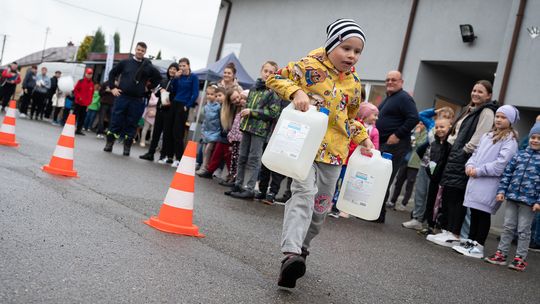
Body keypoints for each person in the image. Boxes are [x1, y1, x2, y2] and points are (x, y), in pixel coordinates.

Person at [266, 18, 373, 288]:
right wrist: (297, 91)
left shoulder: (355, 84)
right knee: (303, 194)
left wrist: (363, 139)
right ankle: (290, 253)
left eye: (357, 51)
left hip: (335, 154)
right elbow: (274, 78)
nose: (351, 55)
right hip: (304, 145)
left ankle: (301, 250)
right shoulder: (307, 66)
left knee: (320, 210)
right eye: (346, 48)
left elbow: (350, 119)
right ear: (332, 45)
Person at [427, 80, 497, 247]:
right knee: (449, 194)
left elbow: (480, 135)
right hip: (455, 154)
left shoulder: (486, 111)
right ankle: (447, 230)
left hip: (464, 156)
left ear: (488, 95)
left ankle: (454, 234)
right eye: (474, 90)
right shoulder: (469, 109)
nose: (476, 94)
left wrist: (464, 151)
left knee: (457, 196)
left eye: (480, 92)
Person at [451, 105, 519, 258]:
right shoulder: (487, 136)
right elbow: (475, 154)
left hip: (490, 184)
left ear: (511, 120)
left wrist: (479, 170)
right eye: (498, 116)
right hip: (476, 181)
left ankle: (479, 245)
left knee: (483, 214)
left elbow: (501, 164)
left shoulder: (510, 140)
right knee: (474, 212)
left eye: (503, 117)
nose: (499, 120)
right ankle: (470, 241)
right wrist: (469, 165)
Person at [484, 121, 540, 271]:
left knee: (523, 230)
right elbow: (507, 174)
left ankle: (520, 259)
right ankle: (501, 254)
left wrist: (538, 201)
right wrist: (501, 191)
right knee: (508, 227)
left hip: (529, 202)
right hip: (512, 197)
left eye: (539, 138)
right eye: (533, 137)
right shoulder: (519, 155)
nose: (535, 140)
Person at [228, 61, 282, 199]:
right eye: (266, 71)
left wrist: (252, 112)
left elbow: (273, 113)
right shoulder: (253, 88)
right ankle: (238, 185)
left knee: (254, 159)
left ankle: (250, 189)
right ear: (261, 71)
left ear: (275, 74)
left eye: (271, 72)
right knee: (242, 157)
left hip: (259, 130)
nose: (267, 74)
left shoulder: (274, 91)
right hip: (246, 126)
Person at [375, 70, 419, 222]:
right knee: (379, 178)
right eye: (387, 80)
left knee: (384, 179)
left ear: (401, 82)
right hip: (384, 144)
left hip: (395, 146)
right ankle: (374, 211)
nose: (390, 82)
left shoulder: (404, 98)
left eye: (394, 80)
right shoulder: (390, 98)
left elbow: (414, 117)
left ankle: (378, 215)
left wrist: (397, 135)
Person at [104, 42, 162, 156]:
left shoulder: (148, 66)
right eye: (138, 49)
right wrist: (112, 88)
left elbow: (158, 78)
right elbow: (112, 73)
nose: (140, 52)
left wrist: (149, 88)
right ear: (135, 49)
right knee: (116, 120)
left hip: (137, 100)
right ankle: (109, 144)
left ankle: (127, 148)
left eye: (142, 50)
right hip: (122, 97)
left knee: (132, 124)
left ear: (145, 52)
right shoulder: (125, 62)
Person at [403, 107, 454, 230]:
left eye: (447, 117)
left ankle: (430, 221)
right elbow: (420, 115)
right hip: (425, 163)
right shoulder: (432, 124)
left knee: (432, 195)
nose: (443, 118)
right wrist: (435, 110)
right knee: (420, 191)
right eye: (442, 115)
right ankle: (417, 219)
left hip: (438, 167)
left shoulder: (452, 131)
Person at [139, 63, 178, 162]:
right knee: (156, 133)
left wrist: (167, 92)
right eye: (171, 68)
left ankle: (163, 155)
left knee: (166, 134)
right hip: (160, 109)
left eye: (174, 69)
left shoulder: (177, 82)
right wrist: (159, 90)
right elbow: (156, 94)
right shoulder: (163, 80)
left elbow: (176, 95)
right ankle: (150, 153)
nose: (172, 70)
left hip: (169, 110)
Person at [197, 89, 239, 179]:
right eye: (234, 99)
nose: (237, 101)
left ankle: (232, 175)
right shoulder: (225, 108)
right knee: (217, 154)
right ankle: (210, 171)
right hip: (223, 135)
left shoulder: (236, 108)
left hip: (231, 137)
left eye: (237, 98)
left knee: (228, 157)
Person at [166, 58, 199, 167]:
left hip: (183, 105)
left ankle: (179, 158)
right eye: (180, 66)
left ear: (188, 66)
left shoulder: (193, 77)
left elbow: (195, 94)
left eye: (184, 66)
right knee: (169, 130)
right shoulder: (178, 77)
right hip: (175, 103)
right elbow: (173, 90)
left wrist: (187, 106)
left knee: (178, 132)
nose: (182, 68)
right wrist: (175, 78)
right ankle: (169, 156)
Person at [389, 122, 427, 211]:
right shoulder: (412, 131)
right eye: (419, 123)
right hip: (405, 160)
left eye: (422, 124)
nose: (419, 125)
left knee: (410, 183)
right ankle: (392, 201)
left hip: (415, 163)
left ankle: (403, 204)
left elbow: (419, 145)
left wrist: (416, 135)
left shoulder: (425, 134)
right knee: (398, 181)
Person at [193, 85, 221, 171]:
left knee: (208, 149)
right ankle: (204, 165)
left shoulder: (219, 107)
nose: (209, 96)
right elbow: (204, 120)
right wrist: (202, 130)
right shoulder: (206, 106)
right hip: (206, 131)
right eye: (208, 94)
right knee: (204, 150)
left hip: (215, 131)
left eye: (212, 94)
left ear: (216, 95)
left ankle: (205, 167)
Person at [73, 68, 95, 135]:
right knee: (75, 116)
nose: (89, 75)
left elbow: (92, 94)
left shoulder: (92, 84)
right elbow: (76, 90)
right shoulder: (81, 81)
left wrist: (89, 102)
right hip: (78, 103)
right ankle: (70, 128)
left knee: (82, 117)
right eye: (88, 73)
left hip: (85, 104)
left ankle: (78, 130)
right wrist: (79, 98)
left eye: (90, 74)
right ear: (85, 74)